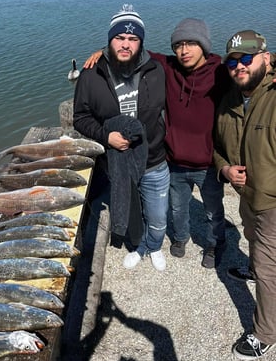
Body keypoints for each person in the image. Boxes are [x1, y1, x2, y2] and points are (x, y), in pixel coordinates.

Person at [84, 18, 227, 269]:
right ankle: (181, 239)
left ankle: (215, 244)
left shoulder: (221, 72)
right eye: (179, 45)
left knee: (213, 211)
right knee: (178, 209)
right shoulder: (167, 66)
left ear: (204, 46)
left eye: (191, 44)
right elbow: (130, 48)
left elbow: (248, 70)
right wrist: (103, 52)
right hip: (174, 161)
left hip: (208, 163)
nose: (184, 51)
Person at [73, 4, 169, 271]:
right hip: (117, 161)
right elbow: (80, 118)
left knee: (158, 215)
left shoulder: (158, 69)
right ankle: (139, 247)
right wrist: (106, 135)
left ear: (141, 42)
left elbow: (195, 63)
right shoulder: (91, 75)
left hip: (153, 159)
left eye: (133, 38)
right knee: (130, 211)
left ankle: (155, 245)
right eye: (119, 37)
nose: (125, 44)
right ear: (109, 39)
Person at [214, 29, 276, 360]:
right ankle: (252, 267)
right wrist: (224, 169)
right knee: (250, 237)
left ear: (266, 58)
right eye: (233, 61)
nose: (239, 66)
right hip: (246, 196)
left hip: (273, 202)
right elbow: (218, 147)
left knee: (269, 269)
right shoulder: (229, 101)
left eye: (246, 59)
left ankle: (265, 333)